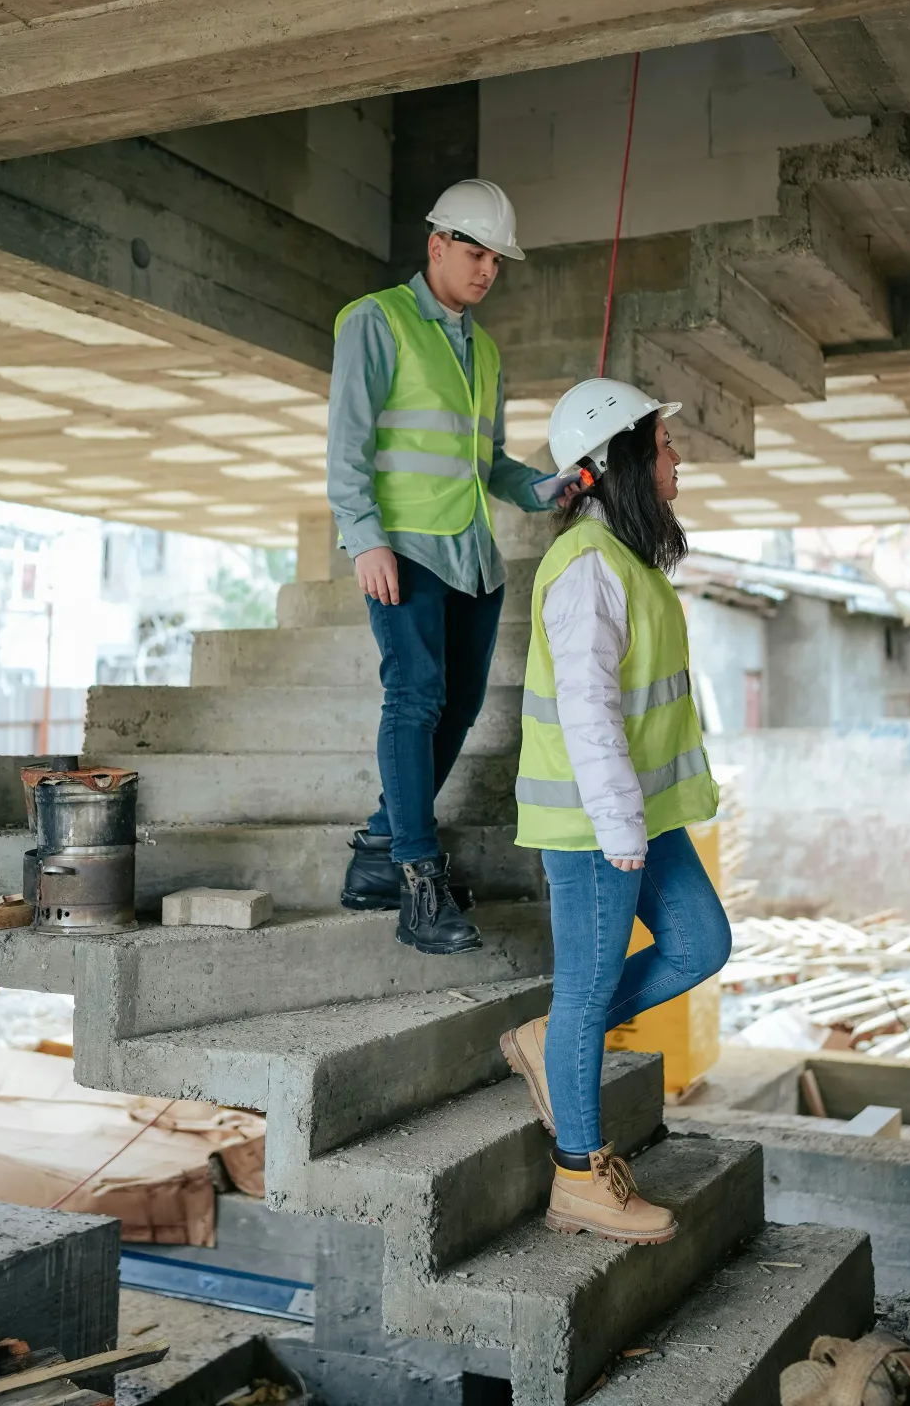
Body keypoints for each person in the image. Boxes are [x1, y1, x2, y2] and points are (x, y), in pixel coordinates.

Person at [500, 378, 732, 1242]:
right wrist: (621, 830)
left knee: (701, 944)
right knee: (590, 995)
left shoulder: (626, 559)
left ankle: (553, 1037)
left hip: (642, 814)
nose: (678, 461)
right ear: (622, 462)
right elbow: (588, 712)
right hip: (600, 827)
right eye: (665, 448)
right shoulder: (588, 569)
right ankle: (579, 1180)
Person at [327, 179, 557, 957]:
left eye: (497, 258)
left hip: (471, 557)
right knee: (416, 697)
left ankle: (378, 853)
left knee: (458, 708)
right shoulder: (377, 321)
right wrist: (364, 539)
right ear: (436, 245)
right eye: (475, 251)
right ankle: (418, 880)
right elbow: (348, 443)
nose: (487, 269)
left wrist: (545, 486)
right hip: (404, 550)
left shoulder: (484, 350)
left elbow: (486, 461)